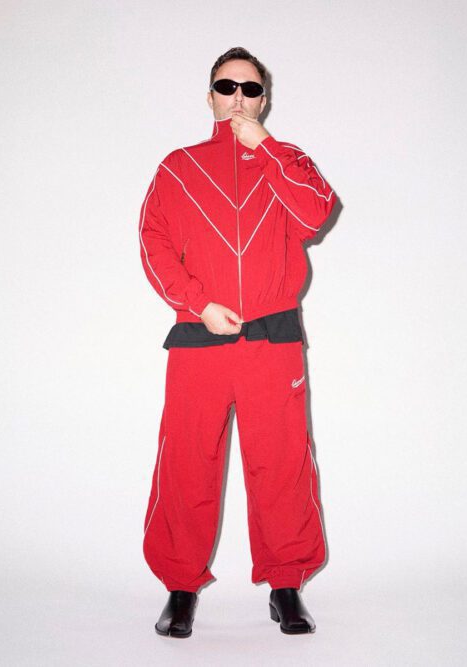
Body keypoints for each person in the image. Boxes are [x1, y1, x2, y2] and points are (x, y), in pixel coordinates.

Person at [137, 46, 337, 637]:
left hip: (272, 343)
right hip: (200, 338)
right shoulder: (178, 168)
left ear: (264, 100)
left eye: (250, 89)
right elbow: (153, 243)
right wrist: (198, 302)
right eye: (227, 87)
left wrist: (267, 148)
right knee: (186, 462)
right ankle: (180, 587)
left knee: (282, 462)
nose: (238, 99)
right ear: (210, 97)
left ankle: (285, 585)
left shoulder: (287, 161)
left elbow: (316, 213)